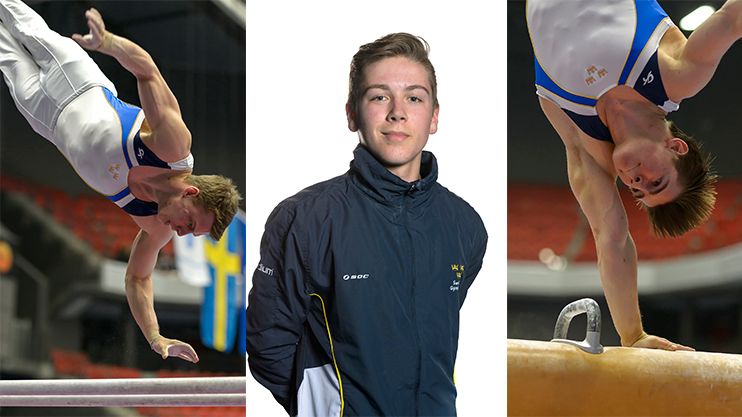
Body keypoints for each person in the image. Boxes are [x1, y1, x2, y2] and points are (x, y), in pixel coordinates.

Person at [246, 33, 488, 416]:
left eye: (414, 97)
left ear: (434, 116)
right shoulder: (304, 219)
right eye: (379, 96)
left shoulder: (464, 226)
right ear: (352, 114)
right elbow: (267, 345)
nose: (397, 112)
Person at [0, 0, 240, 362]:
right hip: (76, 81)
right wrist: (108, 43)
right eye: (190, 223)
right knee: (18, 19)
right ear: (191, 192)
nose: (181, 233)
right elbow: (148, 73)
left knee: (3, 51)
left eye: (190, 233)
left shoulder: (154, 226)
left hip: (47, 121)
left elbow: (138, 279)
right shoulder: (172, 146)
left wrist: (155, 336)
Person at [526, 0, 742, 350]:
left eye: (639, 193)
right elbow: (733, 18)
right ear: (676, 148)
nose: (636, 183)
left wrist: (633, 336)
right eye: (656, 182)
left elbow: (611, 237)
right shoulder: (678, 73)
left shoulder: (586, 148)